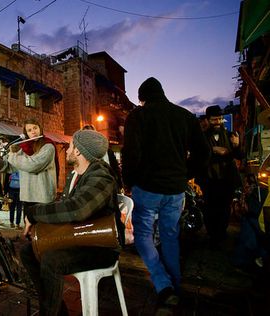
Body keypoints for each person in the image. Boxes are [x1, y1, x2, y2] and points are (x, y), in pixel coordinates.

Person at [122, 77, 210, 307]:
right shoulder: (185, 116)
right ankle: (175, 286)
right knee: (170, 235)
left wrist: (128, 182)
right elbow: (203, 152)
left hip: (147, 188)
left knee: (143, 236)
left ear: (142, 99)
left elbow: (131, 154)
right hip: (175, 189)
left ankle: (163, 284)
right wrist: (184, 174)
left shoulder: (138, 116)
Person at [19, 129, 122, 316]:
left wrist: (33, 213)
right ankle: (57, 310)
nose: (67, 149)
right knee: (29, 250)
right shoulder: (78, 175)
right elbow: (65, 207)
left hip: (100, 246)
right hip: (81, 237)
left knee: (52, 259)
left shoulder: (102, 176)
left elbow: (78, 209)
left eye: (71, 146)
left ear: (79, 152)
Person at [0, 118, 58, 221]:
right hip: (28, 197)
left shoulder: (48, 146)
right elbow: (9, 167)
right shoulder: (24, 147)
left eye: (35, 128)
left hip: (43, 197)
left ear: (40, 128)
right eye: (29, 130)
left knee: (43, 232)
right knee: (29, 232)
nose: (33, 132)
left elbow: (33, 165)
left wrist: (10, 154)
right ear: (26, 133)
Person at [197, 105, 242, 247]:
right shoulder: (202, 138)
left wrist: (236, 145)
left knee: (224, 208)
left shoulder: (230, 135)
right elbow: (198, 155)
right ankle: (212, 235)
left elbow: (239, 155)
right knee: (210, 208)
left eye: (220, 119)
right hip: (209, 179)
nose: (218, 122)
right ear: (208, 120)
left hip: (226, 178)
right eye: (214, 119)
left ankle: (221, 234)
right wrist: (213, 149)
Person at [82, 124, 123, 190]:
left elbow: (115, 169)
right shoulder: (81, 154)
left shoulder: (107, 151)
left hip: (108, 185)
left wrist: (120, 185)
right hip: (90, 186)